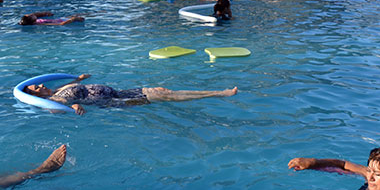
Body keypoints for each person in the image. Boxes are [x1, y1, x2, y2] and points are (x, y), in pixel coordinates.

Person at [23, 74, 238, 115]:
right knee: (166, 97)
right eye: (36, 88)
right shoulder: (53, 99)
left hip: (121, 91)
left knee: (164, 91)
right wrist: (73, 107)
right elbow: (59, 106)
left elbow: (71, 86)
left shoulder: (59, 88)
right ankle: (219, 94)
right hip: (116, 101)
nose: (40, 85)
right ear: (37, 96)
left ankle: (216, 93)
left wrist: (78, 79)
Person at [19, 12, 85, 26]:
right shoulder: (40, 24)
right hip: (64, 21)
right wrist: (73, 19)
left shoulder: (30, 21)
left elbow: (27, 16)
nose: (32, 14)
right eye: (31, 16)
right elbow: (60, 24)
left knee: (82, 14)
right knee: (79, 16)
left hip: (60, 19)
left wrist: (44, 13)